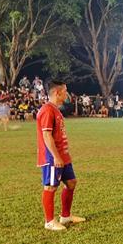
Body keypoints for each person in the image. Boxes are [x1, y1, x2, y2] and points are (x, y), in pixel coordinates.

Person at [37, 80, 86, 231]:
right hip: (52, 157)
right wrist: (56, 157)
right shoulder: (47, 110)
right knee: (50, 186)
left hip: (63, 156)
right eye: (65, 91)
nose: (67, 94)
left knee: (71, 182)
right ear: (57, 92)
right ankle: (49, 221)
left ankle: (65, 216)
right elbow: (46, 136)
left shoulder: (56, 109)